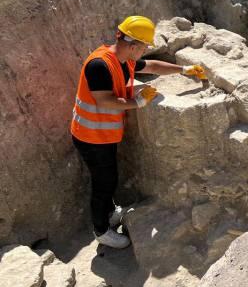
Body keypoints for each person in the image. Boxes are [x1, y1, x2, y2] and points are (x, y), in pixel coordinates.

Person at [70, 15, 206, 249]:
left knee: (109, 177)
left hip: (104, 135)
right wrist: (138, 102)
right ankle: (101, 230)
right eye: (144, 47)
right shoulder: (99, 65)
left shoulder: (125, 60)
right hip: (90, 136)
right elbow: (104, 101)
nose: (145, 51)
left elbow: (152, 66)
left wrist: (185, 70)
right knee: (104, 182)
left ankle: (110, 212)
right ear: (133, 46)